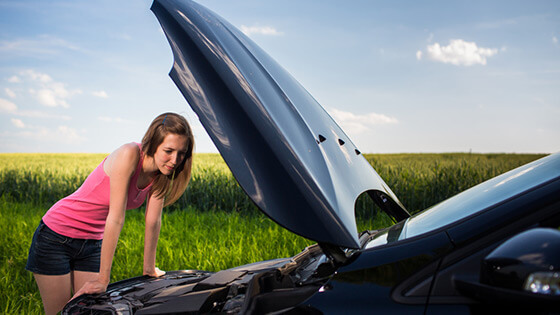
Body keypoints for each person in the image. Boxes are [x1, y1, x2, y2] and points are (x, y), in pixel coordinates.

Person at [25, 112, 194, 315]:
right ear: (154, 143)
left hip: (92, 243)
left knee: (87, 312)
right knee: (59, 312)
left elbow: (153, 221)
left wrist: (149, 268)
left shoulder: (162, 174)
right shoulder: (129, 154)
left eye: (182, 153)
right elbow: (115, 217)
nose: (175, 159)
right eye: (169, 150)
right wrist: (103, 279)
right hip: (56, 236)